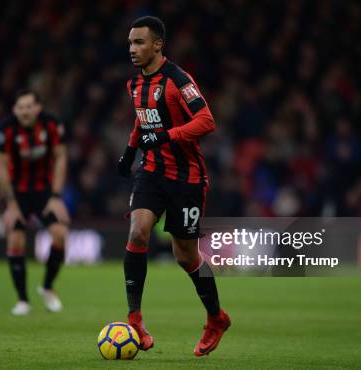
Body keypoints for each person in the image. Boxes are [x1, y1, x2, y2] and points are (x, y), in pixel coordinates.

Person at [118, 16, 231, 356]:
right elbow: (143, 121)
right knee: (138, 233)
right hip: (151, 172)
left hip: (187, 178)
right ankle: (135, 318)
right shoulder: (134, 85)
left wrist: (167, 135)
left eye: (139, 42)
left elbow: (206, 120)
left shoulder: (178, 80)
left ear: (157, 44)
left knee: (185, 256)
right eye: (130, 43)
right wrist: (129, 151)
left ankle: (216, 318)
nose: (132, 49)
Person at [0, 89, 70, 315]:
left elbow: (60, 158)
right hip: (17, 193)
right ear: (14, 110)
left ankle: (47, 288)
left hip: (44, 192)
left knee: (60, 235)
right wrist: (11, 204)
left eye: (29, 106)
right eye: (20, 107)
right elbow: (0, 168)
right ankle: (22, 300)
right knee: (16, 240)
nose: (25, 112)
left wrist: (56, 196)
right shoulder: (5, 129)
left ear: (38, 108)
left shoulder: (52, 125)